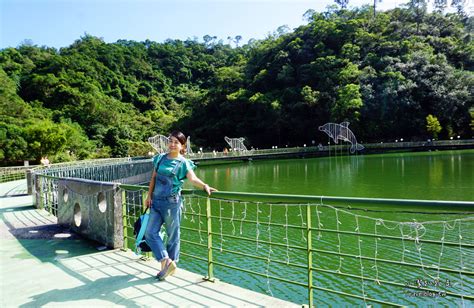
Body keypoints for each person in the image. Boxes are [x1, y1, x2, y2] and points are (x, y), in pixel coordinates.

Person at [145, 130, 217, 281]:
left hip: (172, 203)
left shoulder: (183, 162)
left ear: (182, 145)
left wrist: (204, 186)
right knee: (150, 233)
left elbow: (192, 178)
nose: (172, 144)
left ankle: (166, 268)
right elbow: (153, 178)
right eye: (170, 141)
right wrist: (149, 195)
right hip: (156, 202)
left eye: (176, 142)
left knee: (172, 236)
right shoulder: (159, 159)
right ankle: (167, 262)